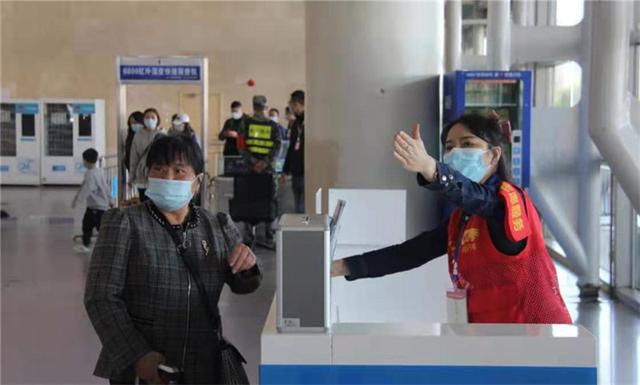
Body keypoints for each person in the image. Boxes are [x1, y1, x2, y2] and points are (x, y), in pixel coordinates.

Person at [332, 113, 572, 324]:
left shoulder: (508, 202)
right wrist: (339, 267)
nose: (455, 152)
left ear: (493, 155)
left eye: (467, 144)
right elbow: (411, 253)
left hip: (536, 338)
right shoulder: (462, 218)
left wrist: (431, 169)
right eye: (449, 147)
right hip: (492, 338)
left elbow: (478, 198)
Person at [84, 134, 261, 384]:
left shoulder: (217, 225)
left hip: (205, 363)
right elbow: (100, 297)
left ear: (197, 182)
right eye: (159, 169)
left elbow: (244, 284)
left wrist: (249, 265)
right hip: (148, 368)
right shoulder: (125, 222)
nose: (168, 178)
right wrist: (138, 355)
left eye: (179, 171)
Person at [72, 148, 110, 253]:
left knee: (91, 226)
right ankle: (89, 244)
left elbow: (87, 189)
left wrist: (77, 201)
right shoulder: (99, 171)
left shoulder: (90, 174)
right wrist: (110, 198)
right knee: (92, 226)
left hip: (96, 207)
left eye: (83, 160)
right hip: (101, 205)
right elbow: (106, 186)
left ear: (87, 161)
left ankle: (88, 245)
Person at [129, 108, 163, 202]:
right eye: (147, 117)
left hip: (158, 177)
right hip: (142, 177)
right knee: (144, 204)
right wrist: (132, 177)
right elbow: (134, 157)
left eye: (153, 117)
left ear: (157, 119)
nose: (150, 119)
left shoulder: (163, 135)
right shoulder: (138, 135)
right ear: (143, 120)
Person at [282, 90, 305, 213]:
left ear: (300, 104)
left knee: (303, 206)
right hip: (295, 171)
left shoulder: (311, 122)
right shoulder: (296, 124)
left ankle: (303, 231)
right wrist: (285, 170)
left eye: (293, 105)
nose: (292, 108)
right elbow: (291, 147)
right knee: (297, 206)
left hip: (306, 172)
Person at [269, 108, 289, 174]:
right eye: (270, 116)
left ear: (278, 117)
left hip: (279, 159)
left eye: (273, 116)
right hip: (268, 159)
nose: (272, 117)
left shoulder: (282, 130)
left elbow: (285, 145)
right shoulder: (266, 129)